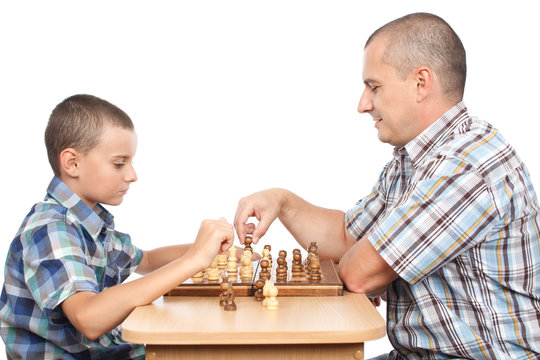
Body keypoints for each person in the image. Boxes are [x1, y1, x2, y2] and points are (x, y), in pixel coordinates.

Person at [234, 13, 540, 359]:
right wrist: (283, 201)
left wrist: (372, 268)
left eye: (374, 86)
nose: (363, 104)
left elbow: (359, 274)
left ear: (421, 83)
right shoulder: (412, 159)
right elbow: (347, 237)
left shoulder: (468, 165)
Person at [0, 94, 235, 359]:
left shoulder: (89, 222)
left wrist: (212, 250)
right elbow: (88, 318)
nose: (132, 175)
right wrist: (193, 260)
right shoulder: (51, 229)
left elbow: (147, 259)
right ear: (72, 163)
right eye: (119, 163)